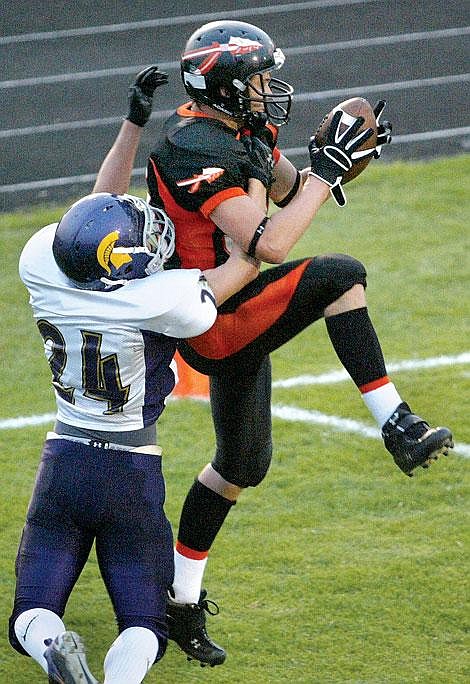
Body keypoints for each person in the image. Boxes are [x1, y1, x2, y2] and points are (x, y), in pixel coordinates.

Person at [145, 20, 454, 667]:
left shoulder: (238, 131)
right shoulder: (190, 148)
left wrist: (347, 164)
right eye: (256, 79)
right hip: (212, 319)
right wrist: (322, 175)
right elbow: (271, 243)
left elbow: (288, 191)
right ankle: (396, 424)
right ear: (226, 88)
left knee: (240, 467)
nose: (266, 88)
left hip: (234, 315)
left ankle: (179, 604)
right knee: (340, 275)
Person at [8, 67, 260, 684]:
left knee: (29, 612)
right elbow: (247, 262)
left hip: (63, 460)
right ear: (128, 263)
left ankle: (51, 650)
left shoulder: (45, 266)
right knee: (144, 624)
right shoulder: (160, 297)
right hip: (129, 472)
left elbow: (93, 215)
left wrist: (132, 124)